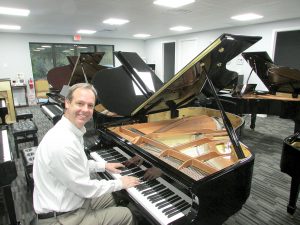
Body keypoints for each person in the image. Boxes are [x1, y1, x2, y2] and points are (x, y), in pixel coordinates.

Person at [33, 83, 140, 225]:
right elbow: (85, 188)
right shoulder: (62, 143)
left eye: (90, 105)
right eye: (80, 103)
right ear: (67, 102)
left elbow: (77, 165)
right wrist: (119, 182)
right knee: (126, 214)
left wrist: (104, 165)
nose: (85, 110)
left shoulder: (70, 131)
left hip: (73, 201)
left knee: (118, 196)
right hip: (61, 218)